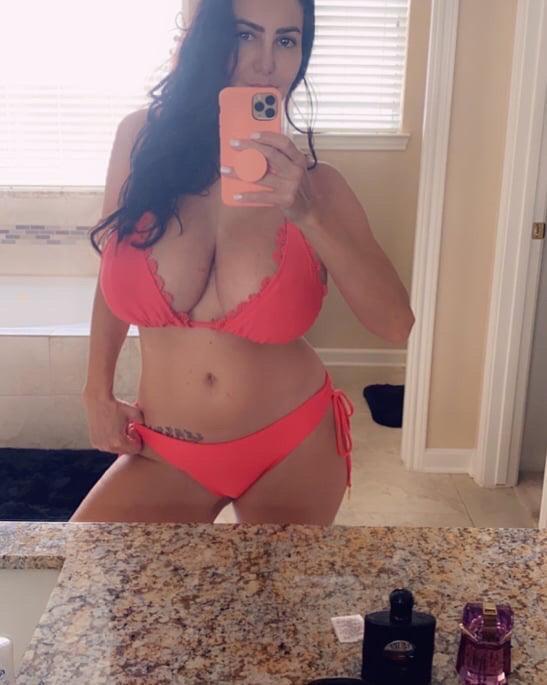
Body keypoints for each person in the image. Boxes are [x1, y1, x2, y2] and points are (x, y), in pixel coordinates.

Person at [70, 0, 414, 525]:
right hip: (165, 448)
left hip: (292, 443)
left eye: (286, 40)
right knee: (88, 573)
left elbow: (395, 324)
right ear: (209, 39)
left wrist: (308, 214)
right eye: (245, 34)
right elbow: (113, 270)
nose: (266, 62)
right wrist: (96, 389)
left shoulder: (318, 185)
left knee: (276, 587)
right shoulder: (140, 144)